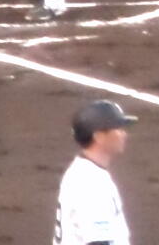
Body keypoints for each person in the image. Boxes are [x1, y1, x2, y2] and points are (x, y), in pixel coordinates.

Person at [54, 100, 137, 245]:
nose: (124, 134)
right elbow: (97, 242)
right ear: (99, 136)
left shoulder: (87, 171)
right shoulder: (90, 182)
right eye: (118, 129)